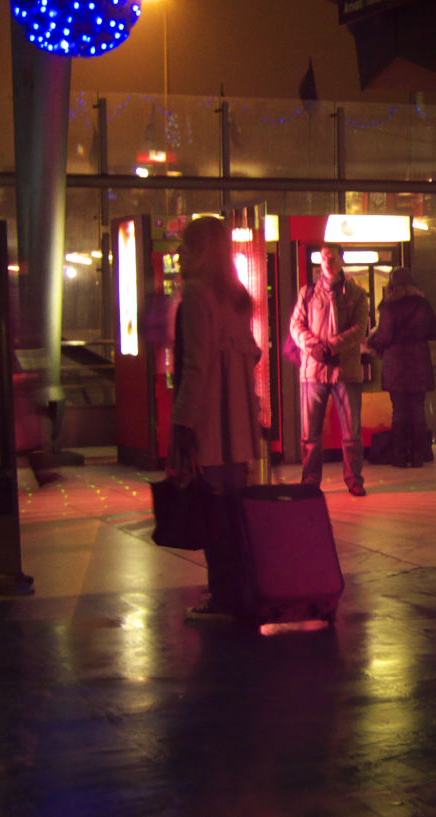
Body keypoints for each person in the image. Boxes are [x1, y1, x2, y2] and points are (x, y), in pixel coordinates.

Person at [169, 217, 263, 621]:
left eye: (185, 245)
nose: (179, 253)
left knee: (212, 512)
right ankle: (241, 589)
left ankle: (223, 595)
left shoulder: (196, 294)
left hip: (209, 423)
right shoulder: (238, 296)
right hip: (239, 426)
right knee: (235, 512)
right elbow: (254, 353)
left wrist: (183, 422)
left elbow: (195, 366)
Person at [289, 246, 371, 496]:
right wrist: (315, 347)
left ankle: (353, 478)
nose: (328, 262)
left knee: (351, 430)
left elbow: (360, 328)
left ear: (341, 260)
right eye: (324, 258)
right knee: (310, 432)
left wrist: (331, 346)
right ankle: (310, 479)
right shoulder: (308, 293)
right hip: (314, 370)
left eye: (332, 257)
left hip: (344, 370)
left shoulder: (357, 293)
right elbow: (296, 325)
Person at [366, 268, 436, 469]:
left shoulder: (389, 306)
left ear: (392, 284)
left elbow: (384, 336)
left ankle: (400, 455)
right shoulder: (423, 305)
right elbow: (435, 332)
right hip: (419, 365)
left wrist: (372, 343)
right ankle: (418, 456)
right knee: (418, 409)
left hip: (396, 365)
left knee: (399, 411)